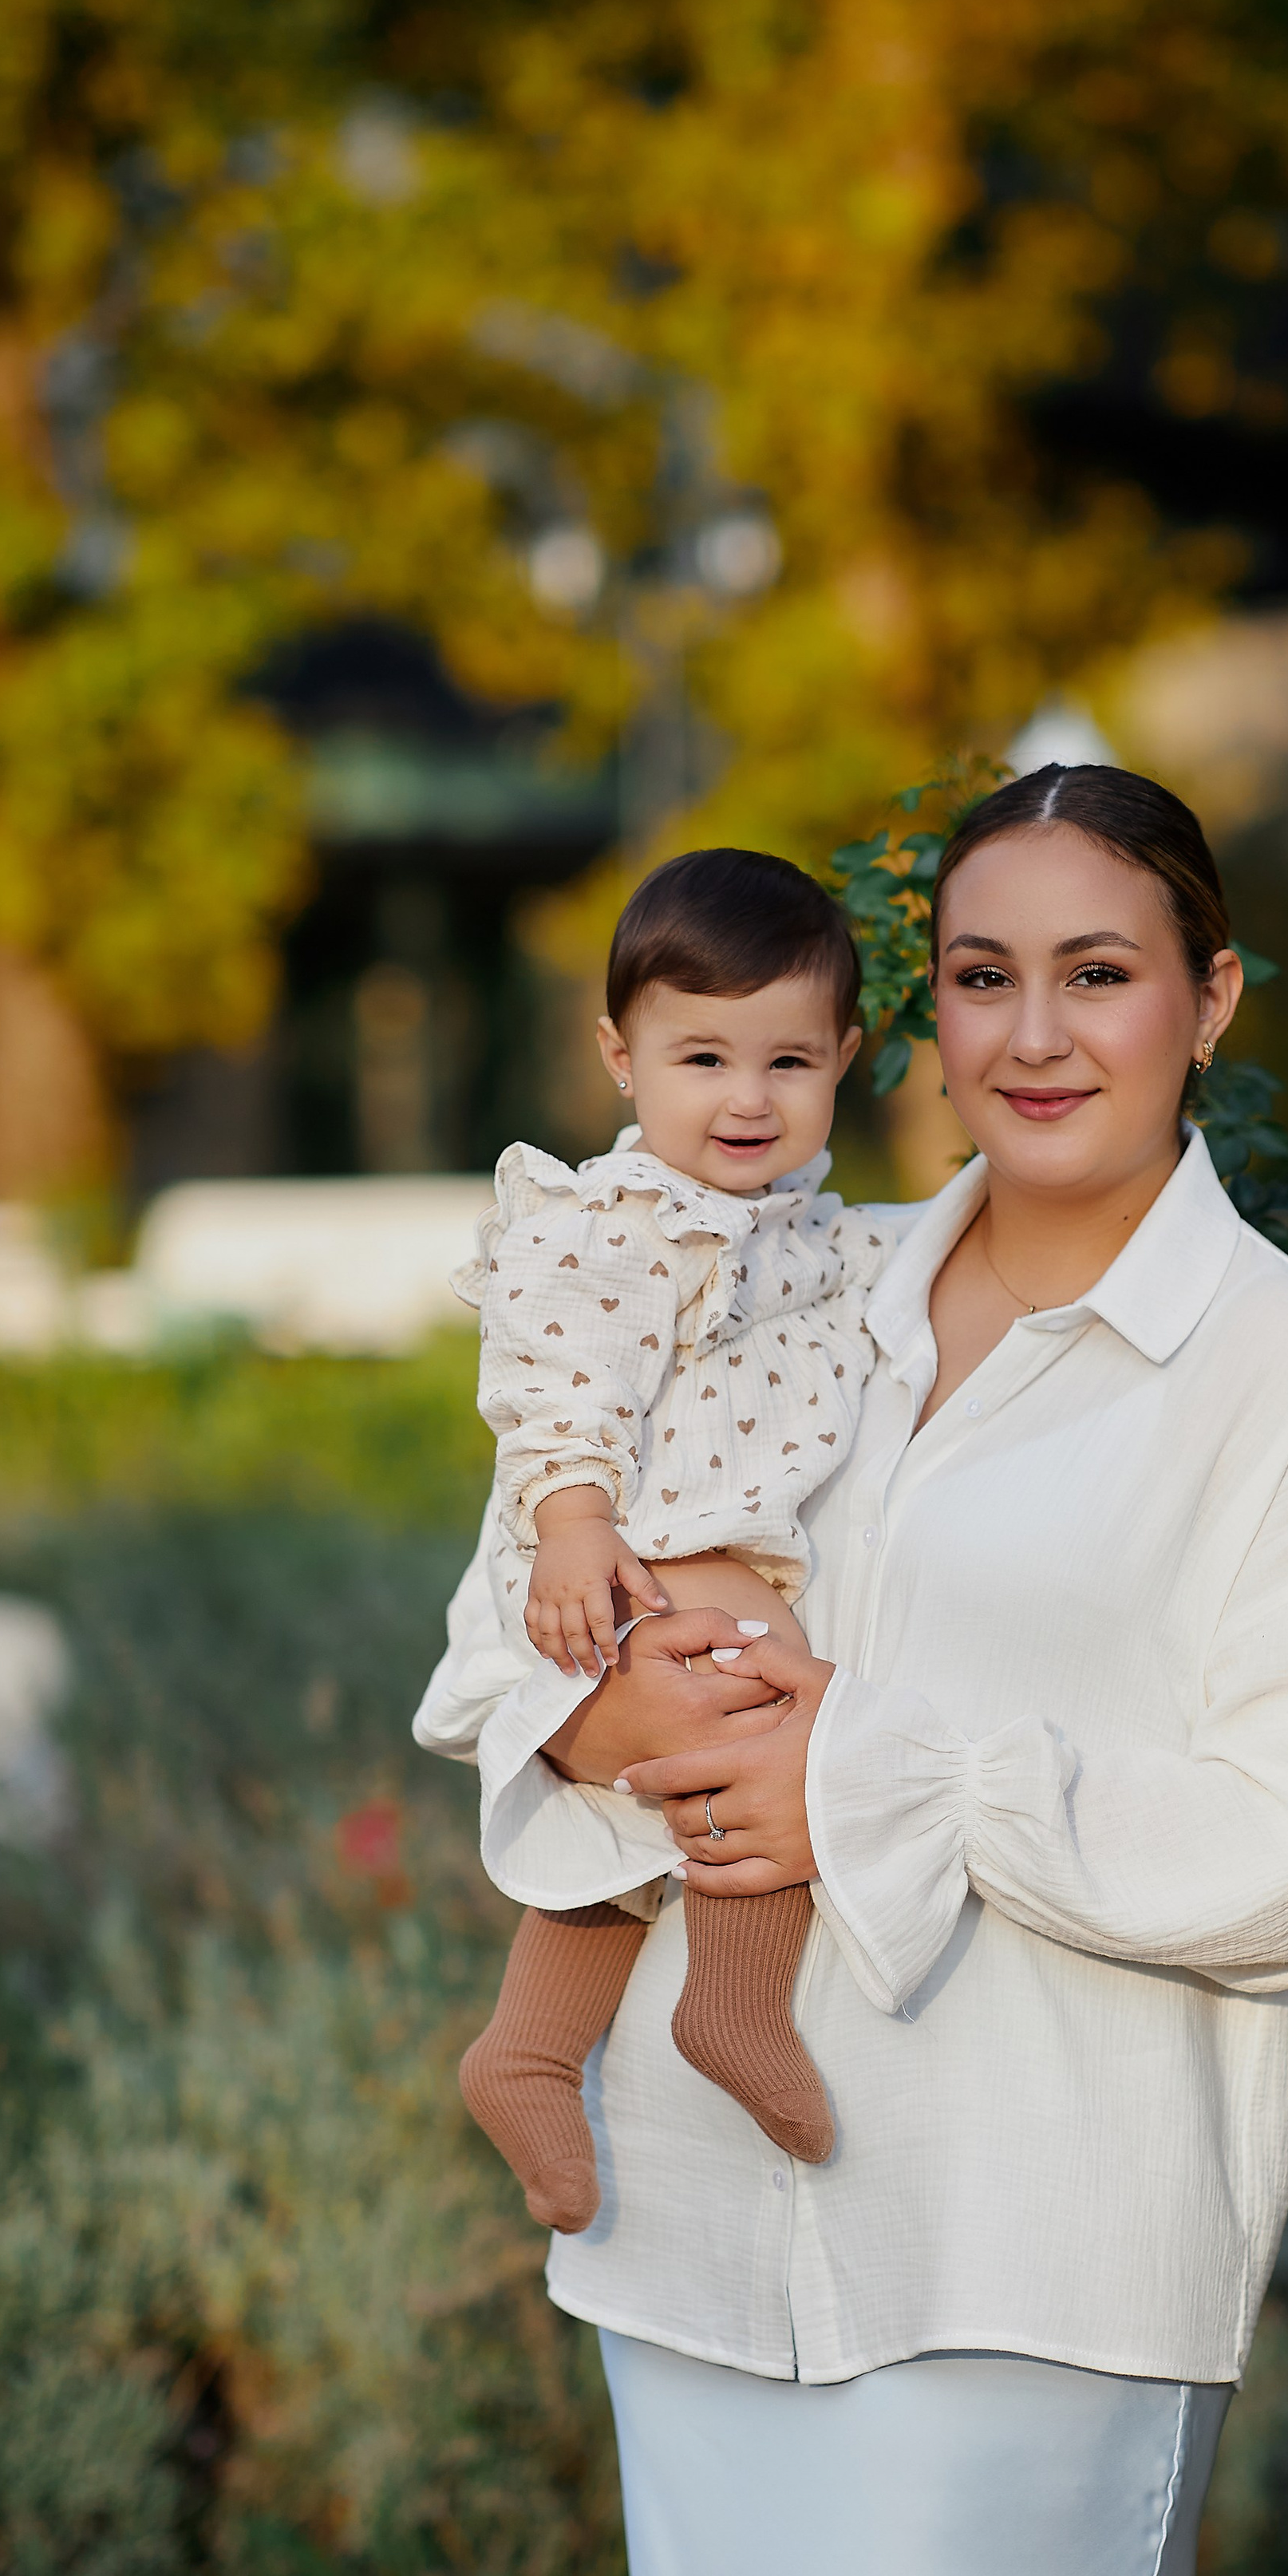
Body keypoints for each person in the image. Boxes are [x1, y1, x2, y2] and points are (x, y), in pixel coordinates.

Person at [414, 763, 1288, 2576]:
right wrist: (611, 1722)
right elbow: (515, 1601)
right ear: (923, 1017)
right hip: (689, 2224)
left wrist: (871, 1776)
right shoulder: (796, 1280)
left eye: (1100, 973)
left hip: (1028, 2248)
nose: (1037, 1034)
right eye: (985, 977)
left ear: (1212, 998)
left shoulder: (1287, 1376)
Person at [449, 847, 888, 2234]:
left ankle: (525, 2049)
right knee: (762, 1704)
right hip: (618, 1541)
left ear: (847, 1060)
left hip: (704, 1546)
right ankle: (733, 2004)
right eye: (702, 1056)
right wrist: (573, 1516)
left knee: (648, 1794)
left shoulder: (818, 1231)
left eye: (789, 1062)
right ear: (620, 1056)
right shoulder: (620, 1222)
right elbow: (556, 1373)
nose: (747, 1099)